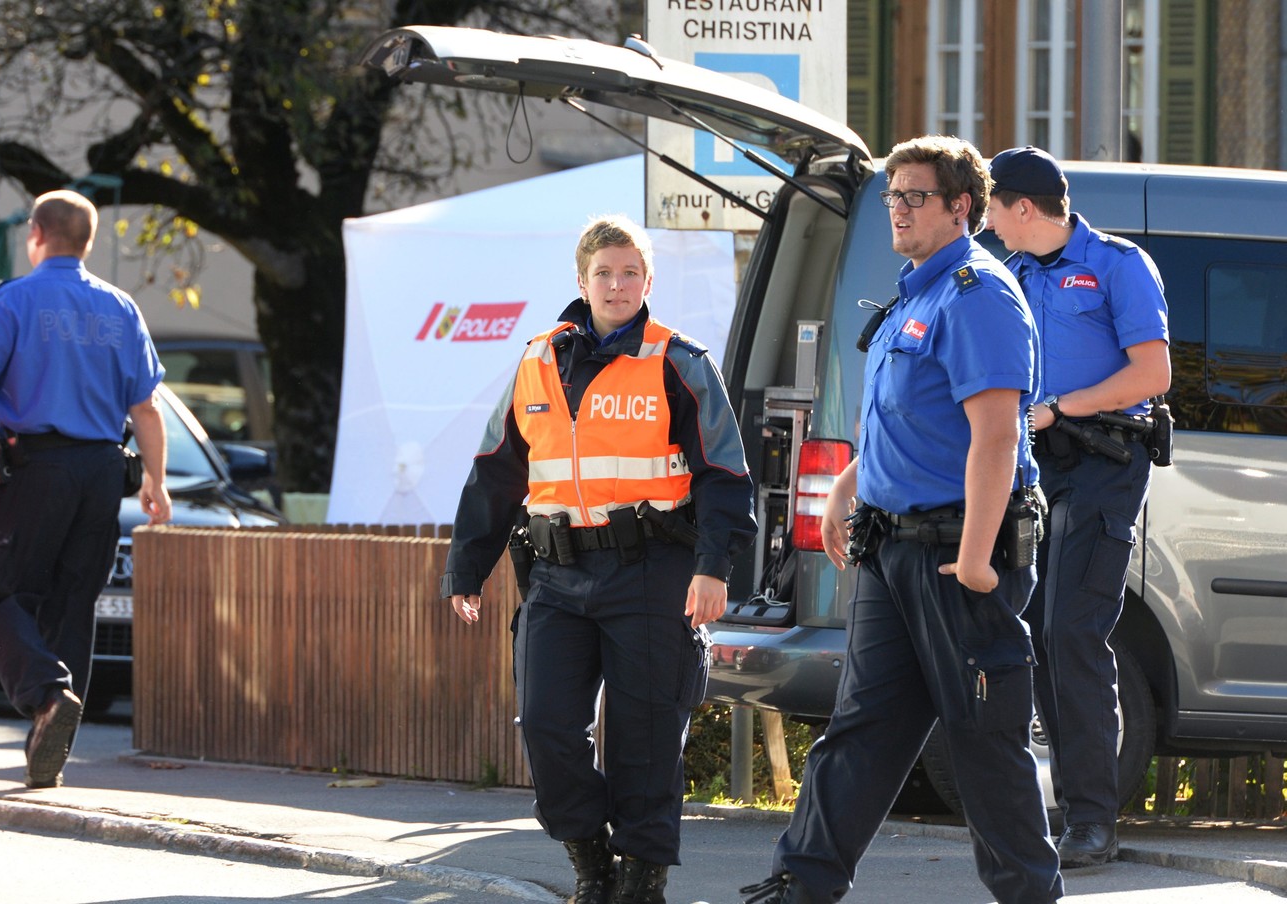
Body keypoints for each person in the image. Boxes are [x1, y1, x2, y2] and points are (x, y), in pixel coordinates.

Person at [736, 136, 1062, 904]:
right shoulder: (914, 292)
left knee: (984, 743)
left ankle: (1030, 896)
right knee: (861, 732)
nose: (899, 210)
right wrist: (847, 490)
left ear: (962, 208)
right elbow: (905, 420)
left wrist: (980, 559)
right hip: (893, 550)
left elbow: (994, 434)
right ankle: (801, 884)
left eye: (916, 196)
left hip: (957, 555)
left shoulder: (978, 294)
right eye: (893, 196)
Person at [442, 215, 755, 904]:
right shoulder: (535, 360)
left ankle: (642, 879)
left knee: (644, 738)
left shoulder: (680, 361)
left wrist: (714, 567)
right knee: (548, 725)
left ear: (649, 281)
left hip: (653, 570)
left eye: (631, 273)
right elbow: (496, 470)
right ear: (580, 282)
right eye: (605, 274)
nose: (618, 285)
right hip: (555, 574)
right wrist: (466, 568)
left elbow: (725, 475)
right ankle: (591, 861)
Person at [0, 189, 171, 789]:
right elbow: (147, 406)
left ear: (35, 232)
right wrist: (157, 485)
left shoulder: (15, 300)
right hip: (101, 475)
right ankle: (49, 750)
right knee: (72, 605)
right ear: (86, 240)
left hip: (36, 469)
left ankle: (45, 694)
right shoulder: (121, 308)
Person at [985, 146, 1170, 868]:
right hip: (1032, 469)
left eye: (993, 206)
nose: (986, 221)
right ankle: (1063, 813)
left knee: (1071, 633)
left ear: (1023, 207)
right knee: (1031, 632)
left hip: (1103, 465)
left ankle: (1093, 820)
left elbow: (1152, 373)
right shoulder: (1010, 270)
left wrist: (1060, 409)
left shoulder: (1120, 264)